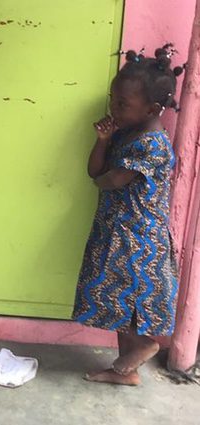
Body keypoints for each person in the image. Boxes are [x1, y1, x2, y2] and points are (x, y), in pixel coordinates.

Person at [72, 45, 184, 386]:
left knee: (130, 299)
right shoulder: (123, 133)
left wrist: (102, 174)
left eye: (123, 104)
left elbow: (108, 180)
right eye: (113, 99)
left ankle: (143, 347)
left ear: (152, 108)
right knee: (119, 299)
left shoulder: (152, 144)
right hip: (116, 229)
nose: (113, 108)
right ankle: (126, 370)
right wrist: (103, 141)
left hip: (137, 236)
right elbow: (96, 171)